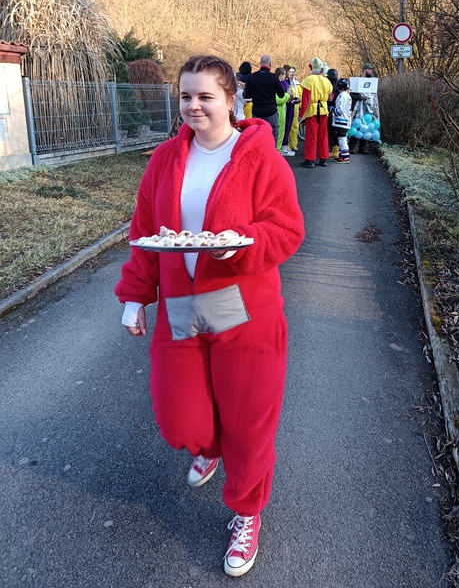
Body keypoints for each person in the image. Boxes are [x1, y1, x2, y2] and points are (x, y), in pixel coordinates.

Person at [115, 54, 305, 578]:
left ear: (230, 100)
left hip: (244, 310)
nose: (193, 106)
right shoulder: (165, 159)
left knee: (248, 419)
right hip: (183, 307)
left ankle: (247, 512)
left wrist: (238, 245)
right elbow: (145, 233)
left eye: (205, 96)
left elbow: (287, 230)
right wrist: (135, 297)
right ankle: (209, 448)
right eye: (185, 96)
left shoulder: (260, 159)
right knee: (180, 414)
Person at [242, 55, 286, 145]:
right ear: (270, 64)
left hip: (257, 111)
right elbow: (281, 95)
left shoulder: (252, 77)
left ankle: (258, 152)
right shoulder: (273, 77)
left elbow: (246, 95)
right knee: (272, 134)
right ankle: (271, 151)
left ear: (260, 63)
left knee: (257, 135)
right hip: (271, 111)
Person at [298, 57, 333, 168]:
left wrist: (301, 114)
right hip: (323, 110)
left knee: (311, 136)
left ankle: (310, 159)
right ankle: (323, 158)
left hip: (312, 111)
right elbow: (330, 97)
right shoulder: (327, 81)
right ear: (321, 69)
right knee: (323, 135)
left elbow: (305, 99)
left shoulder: (308, 80)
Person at [348, 63, 378, 154]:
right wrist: (360, 97)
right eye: (370, 69)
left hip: (369, 109)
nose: (372, 71)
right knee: (356, 126)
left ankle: (363, 147)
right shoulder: (357, 81)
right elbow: (351, 95)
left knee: (367, 126)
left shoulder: (373, 82)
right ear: (365, 70)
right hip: (358, 109)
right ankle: (352, 146)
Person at [332, 77, 353, 163]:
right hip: (345, 121)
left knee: (342, 139)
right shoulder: (346, 95)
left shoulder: (342, 96)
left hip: (342, 121)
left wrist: (331, 109)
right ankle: (342, 155)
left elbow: (340, 110)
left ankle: (345, 157)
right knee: (342, 139)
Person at [274, 67, 291, 152]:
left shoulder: (276, 83)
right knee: (279, 133)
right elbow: (278, 100)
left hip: (280, 111)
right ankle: (277, 152)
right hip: (278, 112)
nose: (285, 76)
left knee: (280, 132)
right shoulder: (277, 84)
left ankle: (278, 150)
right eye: (284, 74)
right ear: (281, 74)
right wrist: (287, 95)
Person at [326, 67, 339, 159]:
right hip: (335, 110)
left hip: (332, 109)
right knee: (334, 131)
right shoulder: (339, 84)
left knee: (333, 130)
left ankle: (335, 150)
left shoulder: (330, 84)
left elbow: (331, 98)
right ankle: (335, 149)